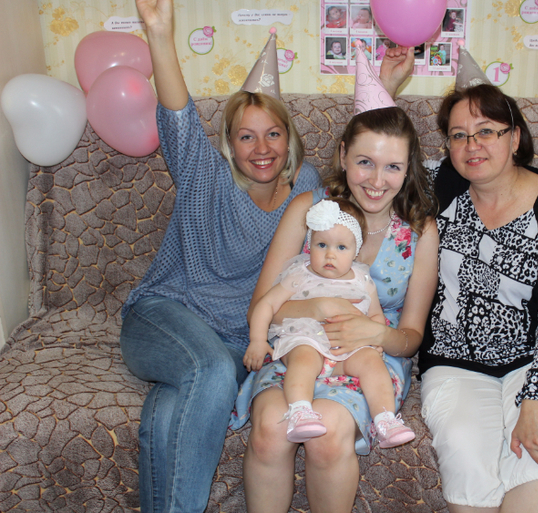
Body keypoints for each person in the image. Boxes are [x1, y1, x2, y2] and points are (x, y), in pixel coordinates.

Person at [118, 1, 323, 512]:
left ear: (289, 139)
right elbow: (178, 117)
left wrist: (387, 88)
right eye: (246, 136)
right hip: (163, 316)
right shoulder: (204, 173)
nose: (261, 147)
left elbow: (369, 175)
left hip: (234, 343)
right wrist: (159, 32)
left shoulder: (307, 189)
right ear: (229, 145)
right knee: (209, 372)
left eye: (273, 133)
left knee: (168, 413)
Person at [231, 45, 438, 513]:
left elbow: (410, 337)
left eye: (393, 166)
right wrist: (318, 308)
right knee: (269, 431)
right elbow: (261, 307)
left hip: (367, 359)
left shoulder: (420, 231)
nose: (377, 180)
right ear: (343, 155)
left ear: (407, 170)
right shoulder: (309, 209)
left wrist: (374, 332)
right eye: (365, 161)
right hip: (297, 344)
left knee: (326, 436)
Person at [417, 48, 538, 512]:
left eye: (486, 131)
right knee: (464, 457)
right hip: (453, 360)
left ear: (514, 137)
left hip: (535, 360)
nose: (471, 145)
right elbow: (376, 163)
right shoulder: (440, 185)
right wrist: (386, 89)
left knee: (535, 458)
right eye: (459, 135)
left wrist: (536, 399)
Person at [244, 198, 416, 448]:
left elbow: (375, 315)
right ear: (310, 244)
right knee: (303, 358)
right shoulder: (299, 274)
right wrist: (258, 340)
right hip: (306, 341)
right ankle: (300, 411)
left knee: (371, 363)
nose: (330, 254)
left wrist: (375, 340)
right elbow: (266, 305)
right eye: (322, 244)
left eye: (341, 247)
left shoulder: (362, 280)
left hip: (347, 349)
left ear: (356, 251)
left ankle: (385, 420)